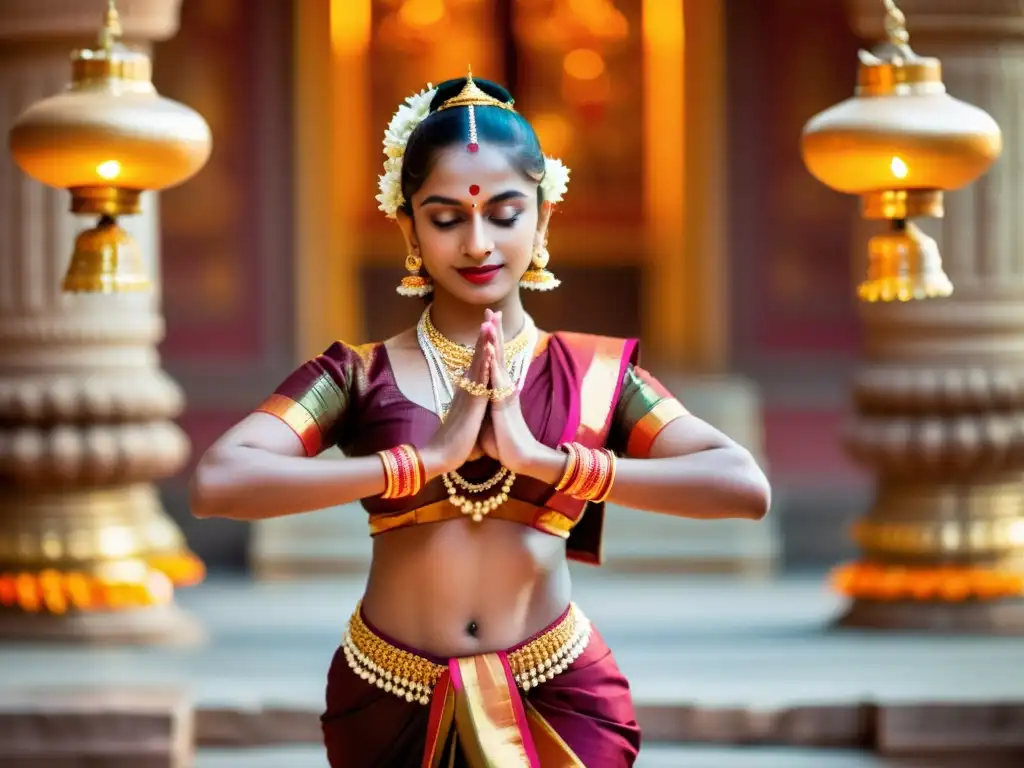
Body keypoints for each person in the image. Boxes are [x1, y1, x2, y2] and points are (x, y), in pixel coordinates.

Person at [190, 73, 771, 768]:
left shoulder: (593, 376)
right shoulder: (358, 375)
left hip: (560, 694)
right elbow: (219, 481)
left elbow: (743, 486)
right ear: (407, 225)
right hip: (385, 697)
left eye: (504, 213)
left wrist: (548, 463)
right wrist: (419, 462)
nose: (476, 244)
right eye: (445, 217)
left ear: (543, 218)